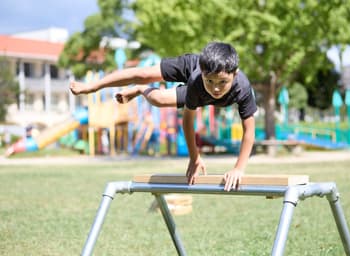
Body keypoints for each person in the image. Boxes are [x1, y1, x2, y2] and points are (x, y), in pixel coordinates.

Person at [70, 42, 257, 191]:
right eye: (211, 81)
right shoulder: (197, 80)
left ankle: (140, 90)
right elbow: (188, 119)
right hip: (192, 75)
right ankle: (96, 86)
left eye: (223, 82)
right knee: (145, 77)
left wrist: (238, 168)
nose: (216, 88)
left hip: (202, 87)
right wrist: (194, 157)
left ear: (235, 74)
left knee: (159, 99)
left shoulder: (242, 88)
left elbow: (249, 130)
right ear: (202, 74)